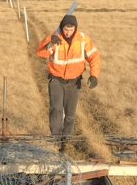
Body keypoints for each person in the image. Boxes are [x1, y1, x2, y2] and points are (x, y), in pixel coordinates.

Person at [36, 14, 101, 150]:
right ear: (62, 27)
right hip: (56, 80)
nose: (68, 32)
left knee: (70, 113)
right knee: (56, 110)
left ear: (75, 29)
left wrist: (94, 75)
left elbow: (94, 57)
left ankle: (66, 141)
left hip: (74, 81)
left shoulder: (83, 40)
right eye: (66, 29)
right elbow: (40, 53)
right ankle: (55, 139)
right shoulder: (55, 38)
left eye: (71, 29)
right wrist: (49, 40)